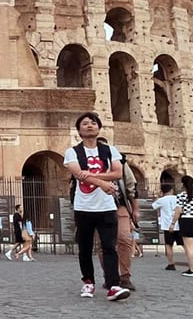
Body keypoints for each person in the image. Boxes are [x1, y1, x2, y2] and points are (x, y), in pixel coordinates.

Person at [63, 112, 130, 301]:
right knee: (84, 248)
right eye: (85, 123)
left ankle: (114, 285)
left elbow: (117, 173)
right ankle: (88, 282)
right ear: (79, 130)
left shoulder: (110, 150)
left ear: (99, 128)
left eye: (93, 122)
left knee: (110, 247)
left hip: (107, 207)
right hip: (83, 206)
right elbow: (77, 173)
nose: (89, 125)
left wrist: (91, 176)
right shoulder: (72, 152)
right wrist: (102, 183)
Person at [97, 135, 137, 291]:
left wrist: (135, 208)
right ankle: (110, 276)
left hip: (119, 205)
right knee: (103, 244)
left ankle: (125, 277)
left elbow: (131, 185)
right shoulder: (87, 163)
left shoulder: (119, 161)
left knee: (124, 239)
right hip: (97, 207)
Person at [151, 185, 179, 270]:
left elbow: (153, 206)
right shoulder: (177, 198)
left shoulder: (161, 200)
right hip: (177, 224)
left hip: (167, 225)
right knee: (185, 245)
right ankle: (191, 262)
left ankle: (171, 263)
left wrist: (158, 197)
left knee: (169, 245)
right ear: (171, 190)